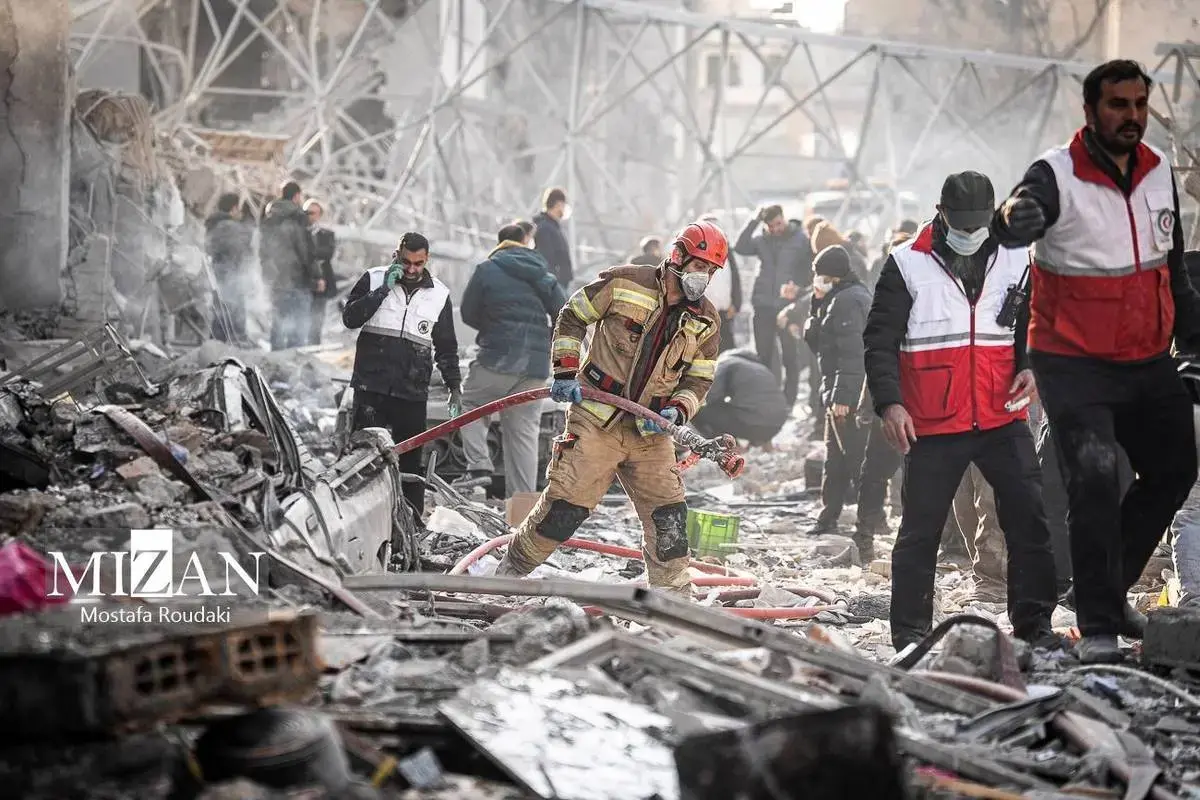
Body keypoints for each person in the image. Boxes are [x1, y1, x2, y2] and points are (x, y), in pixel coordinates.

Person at [993, 59, 1200, 663]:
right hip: (1072, 359)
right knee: (1094, 479)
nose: (1131, 116)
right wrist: (1016, 220)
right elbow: (1016, 214)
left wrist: (1190, 337)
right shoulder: (1057, 173)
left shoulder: (1161, 173)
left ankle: (1102, 589)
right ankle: (1100, 628)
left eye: (1139, 104)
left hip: (1144, 356)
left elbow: (1172, 268)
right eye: (1117, 105)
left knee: (1174, 468)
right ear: (1090, 111)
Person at [864, 170, 1058, 652]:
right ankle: (910, 633)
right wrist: (890, 403)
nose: (970, 233)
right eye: (961, 223)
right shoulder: (907, 263)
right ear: (941, 211)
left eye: (979, 223)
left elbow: (1031, 325)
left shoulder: (1017, 257)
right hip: (933, 420)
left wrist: (1031, 367)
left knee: (1030, 520)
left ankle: (1035, 626)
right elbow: (879, 340)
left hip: (1001, 414)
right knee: (920, 532)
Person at [496, 221, 728, 592]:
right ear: (678, 256)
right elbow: (573, 316)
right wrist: (566, 371)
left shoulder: (706, 320)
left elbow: (699, 379)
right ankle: (508, 574)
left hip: (651, 434)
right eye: (700, 266)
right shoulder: (624, 283)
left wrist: (679, 410)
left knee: (669, 520)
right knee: (563, 510)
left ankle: (673, 606)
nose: (704, 278)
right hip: (596, 419)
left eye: (711, 272)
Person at [342, 232, 461, 519]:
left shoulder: (439, 295)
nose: (411, 269)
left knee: (410, 462)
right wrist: (384, 289)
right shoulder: (373, 278)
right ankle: (356, 517)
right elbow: (350, 319)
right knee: (362, 457)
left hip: (411, 391)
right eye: (406, 262)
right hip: (372, 386)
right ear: (397, 254)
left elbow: (446, 345)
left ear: (426, 260)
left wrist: (453, 386)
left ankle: (412, 522)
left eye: (418, 264)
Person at [457, 222, 567, 496]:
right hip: (534, 367)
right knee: (523, 439)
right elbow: (564, 312)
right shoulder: (542, 272)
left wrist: (494, 326)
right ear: (526, 240)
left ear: (500, 243)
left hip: (497, 359)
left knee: (467, 401)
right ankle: (520, 520)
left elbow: (468, 313)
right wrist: (546, 341)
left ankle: (479, 465)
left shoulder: (486, 269)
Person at [801, 245, 872, 540]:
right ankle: (829, 517)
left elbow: (853, 354)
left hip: (849, 396)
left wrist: (843, 397)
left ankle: (867, 526)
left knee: (855, 460)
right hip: (836, 392)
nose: (816, 281)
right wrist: (815, 305)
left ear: (832, 275)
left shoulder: (848, 301)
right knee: (835, 459)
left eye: (820, 275)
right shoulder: (836, 298)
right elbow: (817, 341)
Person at [734, 205, 813, 408]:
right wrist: (753, 220)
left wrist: (798, 287)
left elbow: (810, 269)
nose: (775, 228)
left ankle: (789, 400)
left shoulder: (801, 239)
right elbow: (740, 246)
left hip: (788, 307)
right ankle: (768, 399)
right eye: (770, 225)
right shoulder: (761, 239)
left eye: (778, 224)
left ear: (784, 218)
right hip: (762, 306)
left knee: (790, 356)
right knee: (764, 356)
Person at [260, 181, 321, 350]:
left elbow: (261, 250)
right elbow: (306, 251)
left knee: (278, 320)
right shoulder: (298, 218)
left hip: (275, 279)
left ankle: (276, 358)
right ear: (296, 196)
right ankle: (294, 361)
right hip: (297, 279)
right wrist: (316, 276)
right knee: (299, 324)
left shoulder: (268, 219)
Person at [691, 348, 787, 447]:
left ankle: (729, 448)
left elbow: (710, 396)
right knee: (740, 406)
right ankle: (762, 442)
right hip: (777, 425)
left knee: (697, 410)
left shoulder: (723, 363)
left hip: (757, 425)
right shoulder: (756, 366)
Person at [205, 192, 253, 342]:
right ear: (233, 208)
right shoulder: (231, 227)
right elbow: (241, 252)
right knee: (234, 310)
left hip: (218, 273)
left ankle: (217, 343)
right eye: (238, 208)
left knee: (220, 311)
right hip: (231, 274)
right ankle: (236, 343)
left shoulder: (213, 225)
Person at [699, 213, 743, 352]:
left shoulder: (727, 251)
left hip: (724, 312)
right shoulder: (694, 253)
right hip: (702, 312)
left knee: (726, 349)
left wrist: (736, 304)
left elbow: (735, 279)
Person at [304, 199, 337, 346]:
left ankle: (314, 346)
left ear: (319, 215)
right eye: (307, 212)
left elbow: (327, 253)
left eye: (313, 213)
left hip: (322, 280)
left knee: (317, 318)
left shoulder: (326, 234)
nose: (309, 216)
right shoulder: (299, 233)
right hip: (303, 280)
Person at [534, 187, 573, 289]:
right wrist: (555, 283)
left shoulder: (553, 227)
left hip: (559, 285)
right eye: (564, 205)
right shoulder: (545, 228)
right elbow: (546, 259)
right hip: (554, 286)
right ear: (558, 204)